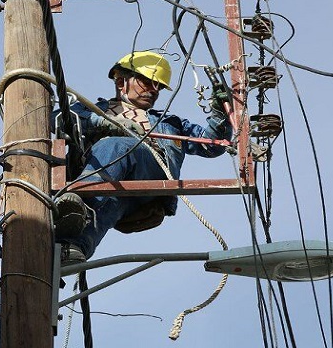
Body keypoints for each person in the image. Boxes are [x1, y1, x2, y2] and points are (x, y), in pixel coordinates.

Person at [53, 51, 232, 264]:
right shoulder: (89, 110)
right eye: (147, 82)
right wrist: (102, 123)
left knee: (116, 145)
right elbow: (55, 118)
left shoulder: (171, 123)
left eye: (159, 86)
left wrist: (220, 113)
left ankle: (79, 201)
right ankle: (69, 249)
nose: (154, 90)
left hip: (151, 176)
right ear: (121, 82)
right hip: (113, 185)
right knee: (110, 203)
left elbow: (212, 146)